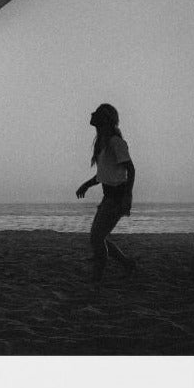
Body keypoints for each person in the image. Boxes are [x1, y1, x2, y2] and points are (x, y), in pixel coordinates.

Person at [75, 103, 137, 282]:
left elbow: (130, 169)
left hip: (117, 197)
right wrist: (87, 184)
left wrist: (128, 196)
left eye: (96, 112)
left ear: (104, 119)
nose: (91, 113)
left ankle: (96, 282)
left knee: (96, 239)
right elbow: (104, 174)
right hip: (109, 196)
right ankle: (126, 263)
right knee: (98, 238)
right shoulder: (103, 143)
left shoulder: (115, 143)